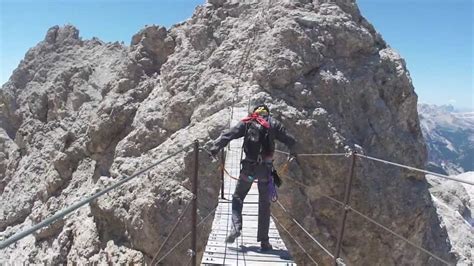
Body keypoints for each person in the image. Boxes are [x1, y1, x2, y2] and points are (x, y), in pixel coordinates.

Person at [209, 104, 296, 251]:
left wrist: (215, 147)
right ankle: (264, 242)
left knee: (238, 197)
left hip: (249, 170)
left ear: (255, 112)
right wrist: (293, 153)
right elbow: (290, 140)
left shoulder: (248, 121)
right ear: (267, 113)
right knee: (264, 204)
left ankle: (236, 227)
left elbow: (229, 134)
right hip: (265, 171)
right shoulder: (274, 123)